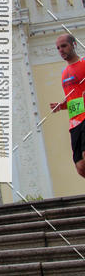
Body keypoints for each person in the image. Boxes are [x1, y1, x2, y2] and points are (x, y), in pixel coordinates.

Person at [50, 33, 85, 179]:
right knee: (80, 167)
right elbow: (72, 97)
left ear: (74, 45)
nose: (61, 50)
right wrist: (61, 105)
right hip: (74, 123)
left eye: (64, 46)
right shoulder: (64, 73)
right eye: (58, 48)